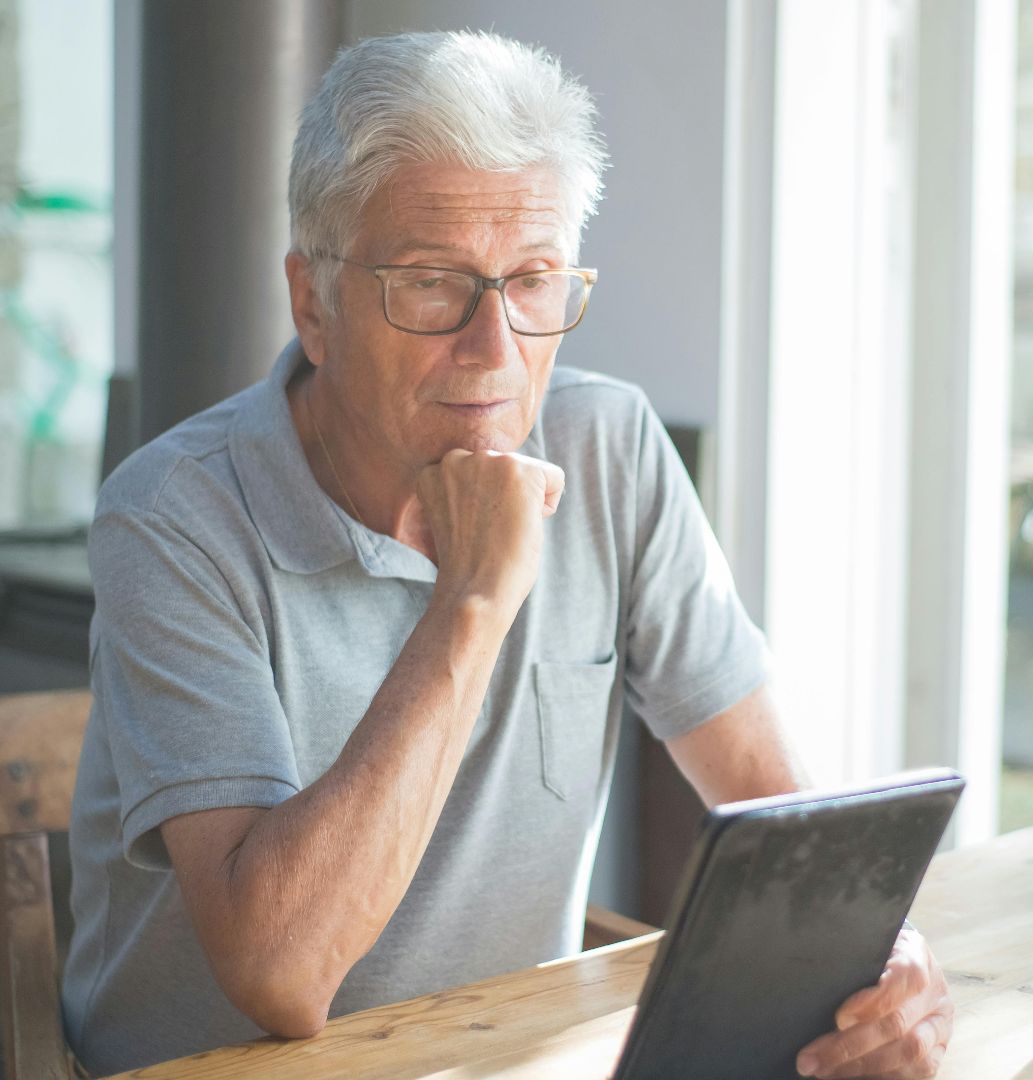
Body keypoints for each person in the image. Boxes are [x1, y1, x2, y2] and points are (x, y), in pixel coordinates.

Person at [63, 30, 953, 1078]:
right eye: (433, 284)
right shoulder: (172, 516)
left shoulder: (608, 447)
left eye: (531, 282)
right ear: (315, 303)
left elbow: (777, 807)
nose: (493, 353)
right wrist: (474, 601)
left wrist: (871, 963)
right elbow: (281, 973)